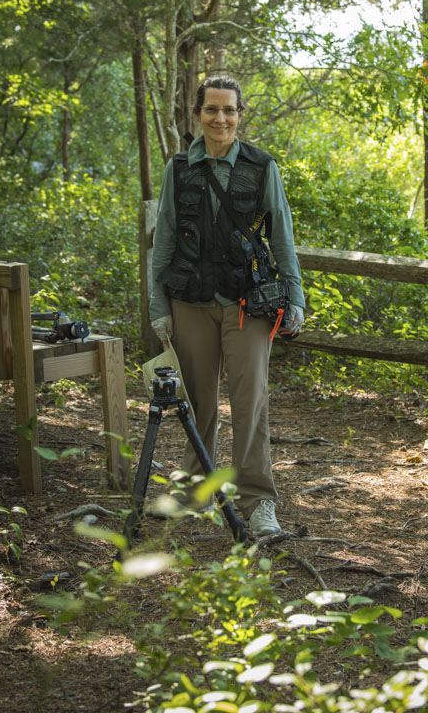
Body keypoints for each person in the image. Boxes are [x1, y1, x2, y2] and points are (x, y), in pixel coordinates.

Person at [149, 75, 304, 536]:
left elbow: (281, 237)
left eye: (229, 110)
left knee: (250, 402)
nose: (221, 119)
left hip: (246, 305)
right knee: (197, 403)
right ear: (197, 114)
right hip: (191, 303)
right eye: (212, 109)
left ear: (239, 115)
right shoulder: (178, 169)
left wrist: (294, 296)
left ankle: (258, 502)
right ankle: (195, 492)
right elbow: (165, 242)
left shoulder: (261, 166)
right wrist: (159, 306)